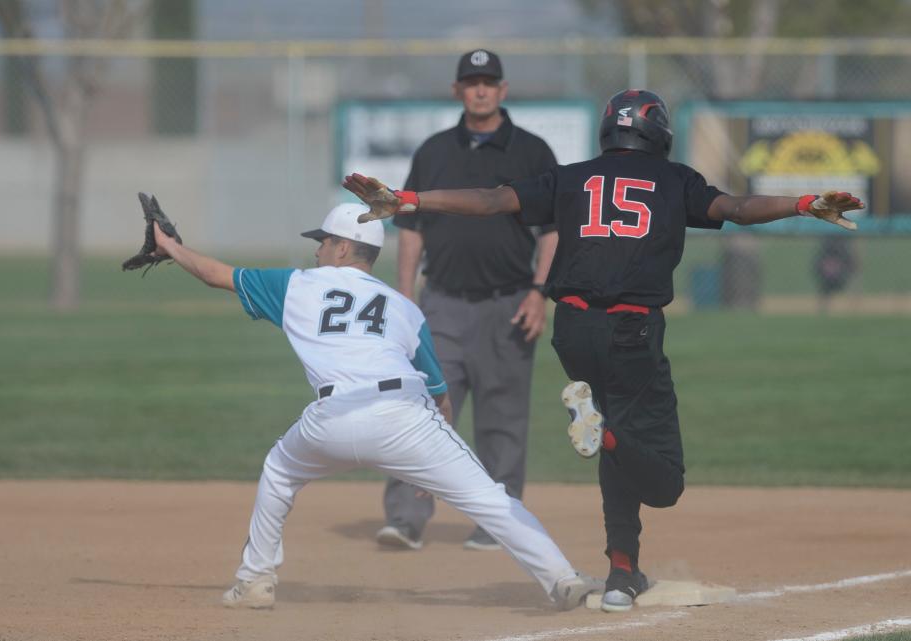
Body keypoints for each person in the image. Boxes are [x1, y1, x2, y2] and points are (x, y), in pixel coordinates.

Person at [342, 89, 863, 612]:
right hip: (631, 332)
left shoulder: (572, 176)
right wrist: (804, 204)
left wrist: (411, 200)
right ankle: (605, 439)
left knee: (613, 444)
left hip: (572, 330)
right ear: (657, 132)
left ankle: (621, 571)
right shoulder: (674, 178)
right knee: (663, 480)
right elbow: (738, 209)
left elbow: (492, 199)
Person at [147, 202, 603, 611]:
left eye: (323, 242)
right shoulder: (403, 307)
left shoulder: (296, 284)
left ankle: (254, 582)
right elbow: (439, 392)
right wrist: (429, 465)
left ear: (344, 248)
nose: (317, 250)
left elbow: (214, 273)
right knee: (488, 498)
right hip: (404, 418)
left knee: (279, 472)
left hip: (329, 419)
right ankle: (562, 579)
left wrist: (169, 246)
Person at [379, 49, 560, 553]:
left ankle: (496, 521)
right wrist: (404, 296)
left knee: (503, 419)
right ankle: (407, 517)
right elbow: (410, 229)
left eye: (489, 81)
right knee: (424, 411)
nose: (480, 89)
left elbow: (553, 231)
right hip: (442, 303)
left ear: (502, 90)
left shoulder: (532, 152)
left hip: (509, 303)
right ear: (458, 90)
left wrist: (539, 293)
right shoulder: (434, 151)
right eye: (471, 81)